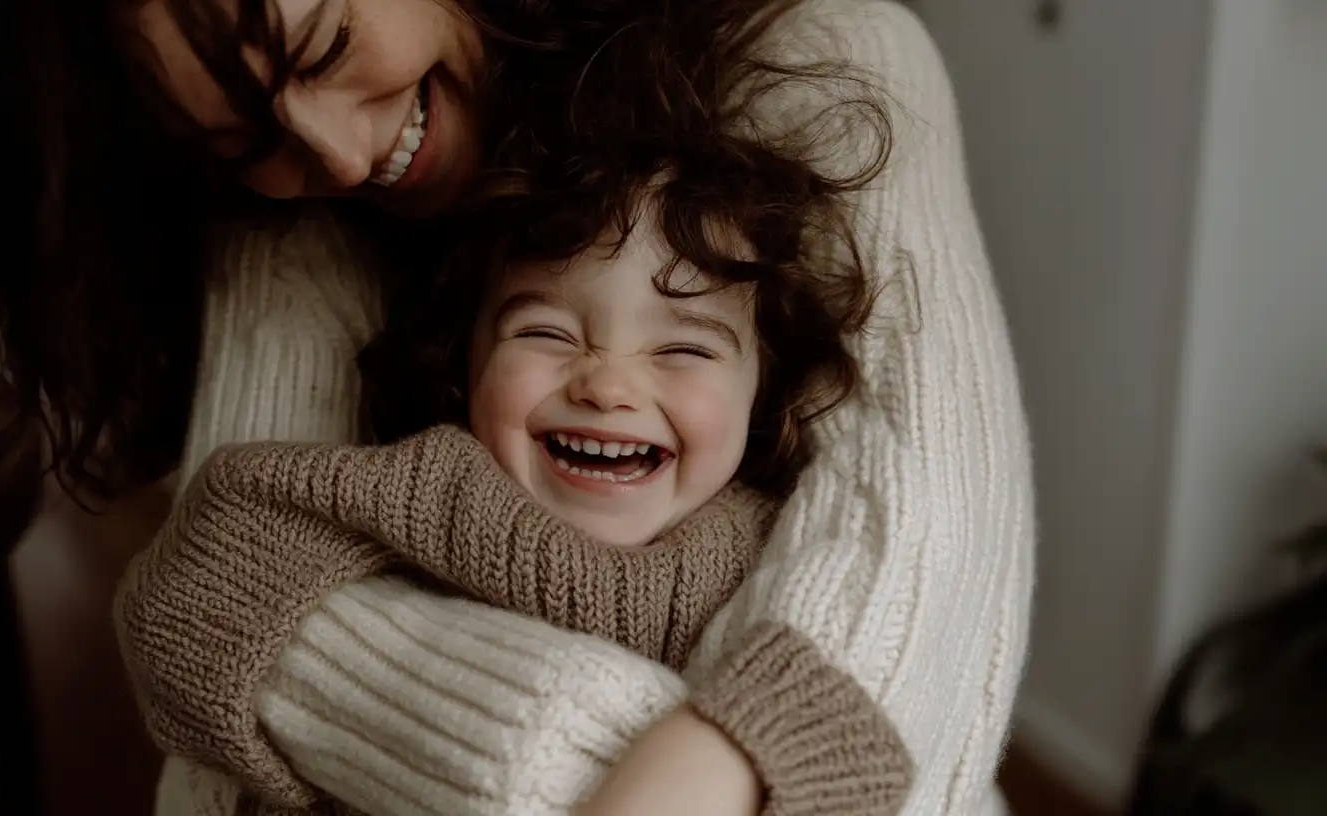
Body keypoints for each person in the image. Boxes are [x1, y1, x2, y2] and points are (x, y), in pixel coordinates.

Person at [0, 0, 1034, 813]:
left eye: (325, 43)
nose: (330, 152)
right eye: (241, 135)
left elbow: (933, 592)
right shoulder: (293, 227)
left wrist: (718, 756)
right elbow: (207, 651)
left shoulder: (825, 62)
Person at [119, 151, 913, 813]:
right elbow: (195, 569)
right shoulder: (435, 488)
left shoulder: (766, 551)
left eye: (685, 351)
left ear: (760, 396)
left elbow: (852, 735)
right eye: (546, 332)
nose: (607, 385)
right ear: (466, 366)